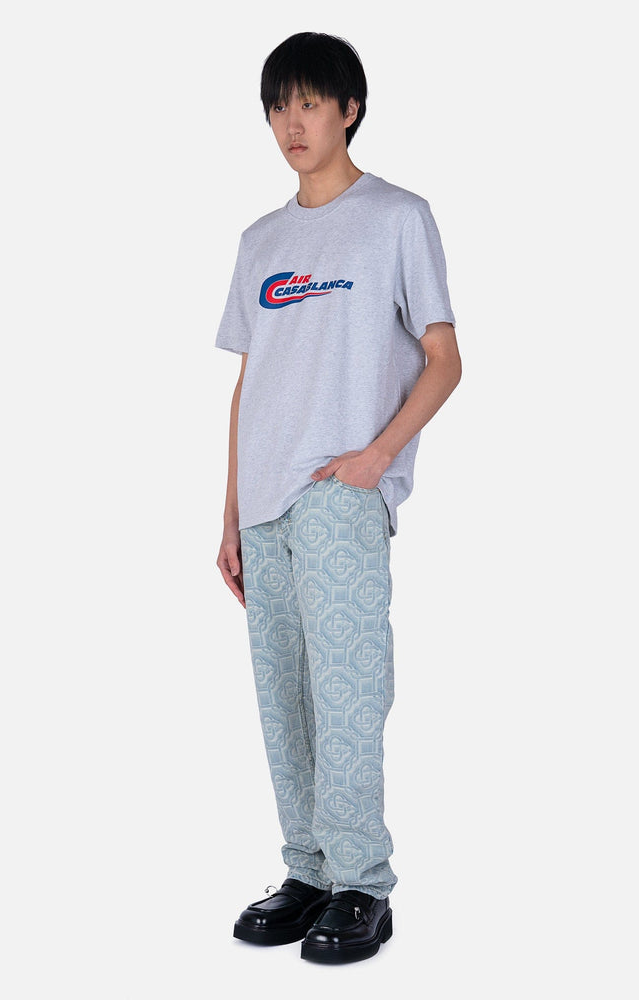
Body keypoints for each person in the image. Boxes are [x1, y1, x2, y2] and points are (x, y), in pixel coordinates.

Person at [215, 31, 462, 964]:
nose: (293, 123)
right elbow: (249, 383)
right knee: (284, 696)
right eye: (280, 107)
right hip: (265, 503)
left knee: (350, 692)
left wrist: (376, 459)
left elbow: (445, 359)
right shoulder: (260, 242)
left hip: (340, 492)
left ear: (349, 109)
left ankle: (362, 884)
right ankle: (308, 871)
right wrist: (229, 513)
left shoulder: (397, 217)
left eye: (310, 104)